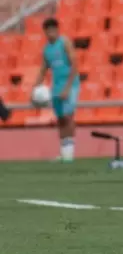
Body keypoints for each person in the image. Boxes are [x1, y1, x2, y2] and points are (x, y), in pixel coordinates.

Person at [33, 18, 80, 162]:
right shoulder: (47, 49)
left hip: (70, 85)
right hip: (56, 86)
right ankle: (64, 152)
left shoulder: (64, 43)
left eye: (53, 30)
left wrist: (67, 87)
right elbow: (43, 70)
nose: (51, 33)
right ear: (45, 32)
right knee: (60, 119)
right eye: (48, 31)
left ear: (57, 30)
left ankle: (70, 153)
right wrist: (35, 89)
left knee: (68, 116)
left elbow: (75, 65)